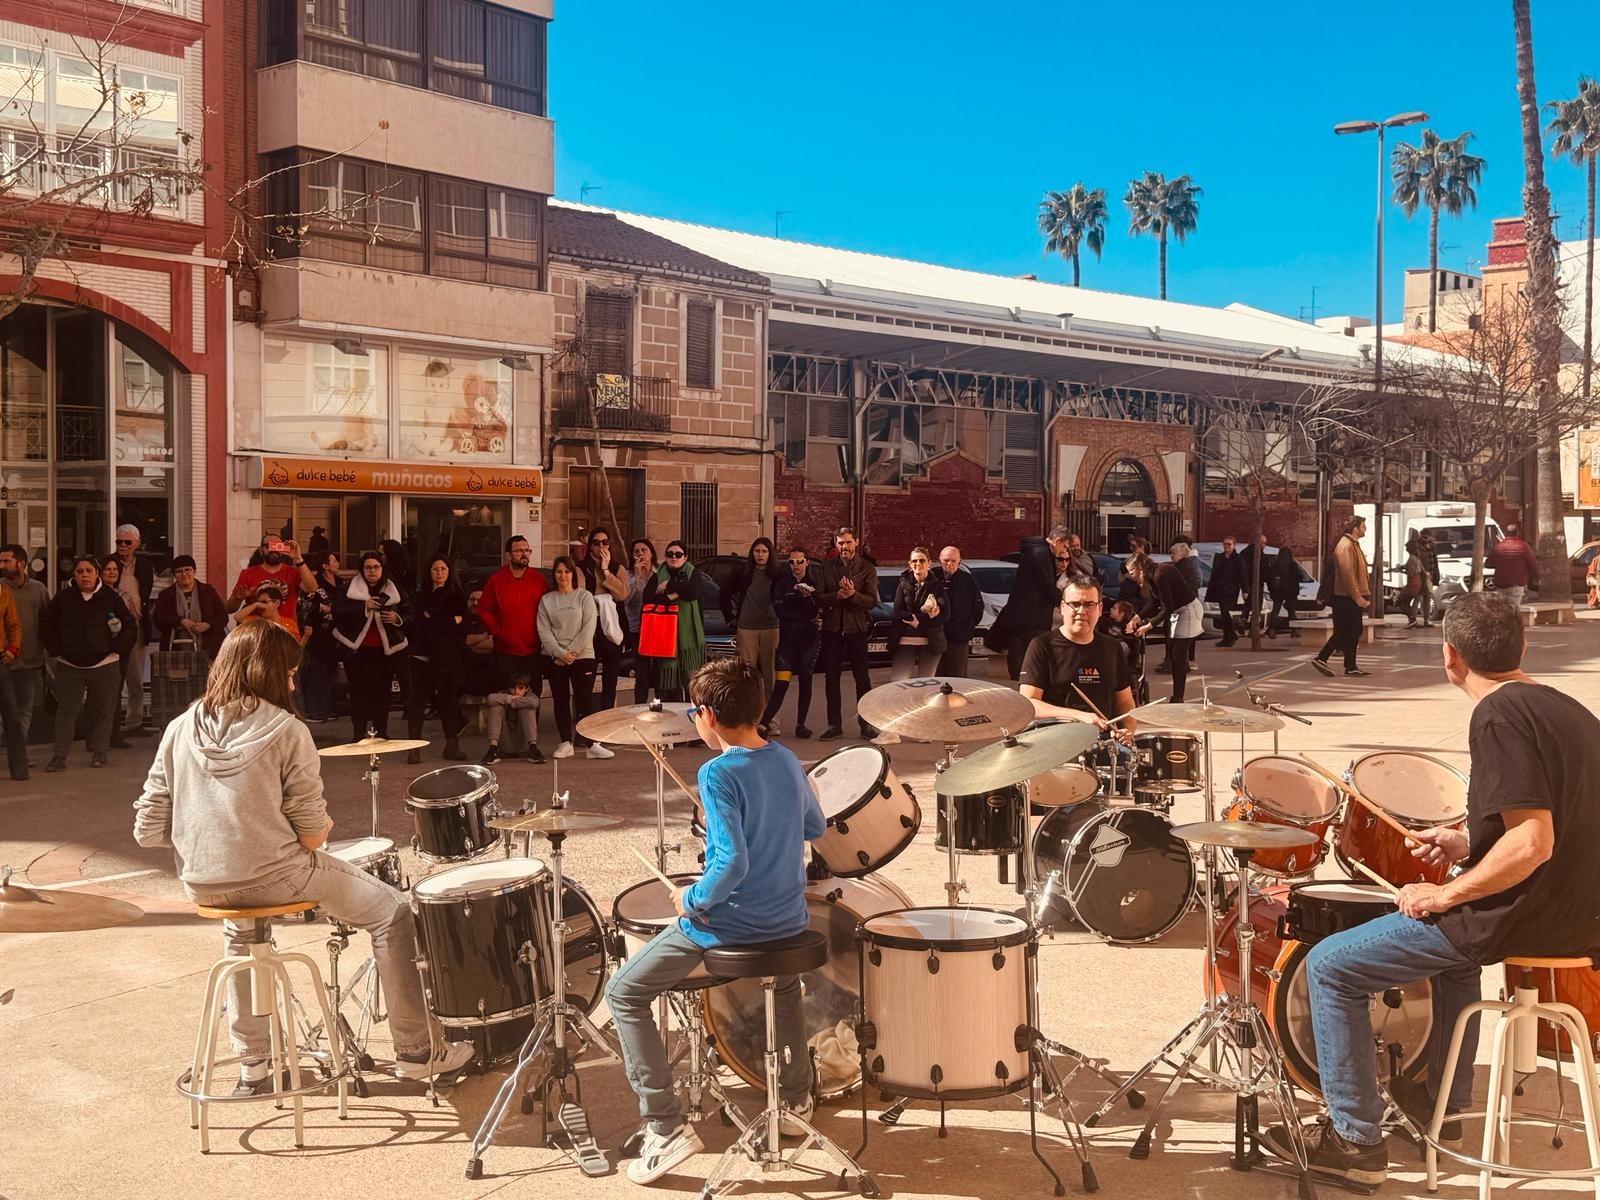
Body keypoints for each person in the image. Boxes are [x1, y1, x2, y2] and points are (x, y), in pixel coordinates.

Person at [1263, 592, 1600, 1187]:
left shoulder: (1496, 716)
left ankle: (1355, 1142)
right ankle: (1437, 1105)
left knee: (1329, 966)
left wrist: (1445, 895)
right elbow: (1552, 821)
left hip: (1521, 916)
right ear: (1521, 646)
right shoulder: (1568, 711)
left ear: (1449, 657)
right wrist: (1466, 841)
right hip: (1577, 917)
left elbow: (1533, 843)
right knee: (1453, 966)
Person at [132, 620, 474, 1092]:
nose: (293, 682)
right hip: (276, 873)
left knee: (241, 930)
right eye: (289, 672)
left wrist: (209, 829)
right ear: (270, 672)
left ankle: (255, 1065)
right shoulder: (287, 730)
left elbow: (148, 830)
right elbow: (312, 836)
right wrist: (308, 830)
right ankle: (417, 1051)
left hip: (205, 880)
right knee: (393, 912)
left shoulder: (177, 728)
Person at [606, 657, 826, 1184]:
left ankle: (665, 1126)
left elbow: (732, 863)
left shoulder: (717, 772)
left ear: (705, 714)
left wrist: (691, 899)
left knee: (623, 992)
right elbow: (814, 825)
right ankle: (795, 1102)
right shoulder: (787, 758)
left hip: (732, 925)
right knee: (786, 986)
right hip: (788, 920)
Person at [41, 555, 135, 771]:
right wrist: (56, 649)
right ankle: (59, 757)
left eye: (89, 571)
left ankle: (100, 752)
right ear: (74, 575)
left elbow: (130, 627)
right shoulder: (63, 598)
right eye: (80, 571)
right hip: (70, 665)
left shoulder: (110, 597)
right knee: (66, 712)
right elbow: (47, 623)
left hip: (106, 664)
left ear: (96, 573)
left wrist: (117, 647)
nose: (85, 575)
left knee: (103, 710)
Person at [1018, 577, 1137, 735]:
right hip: (1055, 742)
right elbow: (1029, 704)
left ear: (1100, 609)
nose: (1082, 611)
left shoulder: (1112, 648)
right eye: (1075, 604)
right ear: (1062, 607)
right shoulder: (1041, 646)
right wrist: (1077, 716)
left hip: (1103, 746)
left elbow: (1125, 703)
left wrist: (1127, 731)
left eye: (1089, 604)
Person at [538, 555, 612, 760]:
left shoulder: (584, 597)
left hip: (583, 656)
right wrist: (560, 654)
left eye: (567, 571)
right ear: (554, 574)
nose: (563, 575)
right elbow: (544, 631)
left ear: (572, 574)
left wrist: (571, 653)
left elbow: (589, 628)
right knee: (560, 700)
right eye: (559, 571)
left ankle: (591, 743)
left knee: (584, 700)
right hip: (555, 658)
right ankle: (565, 742)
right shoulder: (547, 600)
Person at [332, 551, 411, 741]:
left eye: (376, 567)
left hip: (386, 650)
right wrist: (364, 606)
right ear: (362, 569)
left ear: (382, 569)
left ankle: (381, 732)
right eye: (368, 567)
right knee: (358, 693)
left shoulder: (396, 589)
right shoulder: (349, 588)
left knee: (381, 693)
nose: (372, 571)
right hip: (356, 649)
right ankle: (358, 733)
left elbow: (410, 614)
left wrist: (397, 618)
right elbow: (337, 610)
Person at [816, 526, 879, 740]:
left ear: (856, 542)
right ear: (836, 544)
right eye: (841, 543)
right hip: (832, 629)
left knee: (862, 678)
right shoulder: (826, 567)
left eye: (848, 542)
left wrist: (853, 595)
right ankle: (834, 725)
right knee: (831, 678)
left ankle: (866, 724)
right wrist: (838, 595)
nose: (845, 547)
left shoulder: (867, 568)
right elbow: (819, 598)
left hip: (856, 629)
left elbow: (871, 601)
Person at [406, 556, 469, 764]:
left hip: (446, 657)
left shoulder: (457, 596)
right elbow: (420, 624)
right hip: (421, 655)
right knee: (417, 702)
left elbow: (462, 626)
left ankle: (452, 745)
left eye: (443, 568)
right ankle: (413, 747)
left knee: (447, 702)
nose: (439, 572)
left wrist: (435, 621)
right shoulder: (420, 596)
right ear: (429, 572)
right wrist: (447, 621)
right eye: (435, 569)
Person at [477, 534, 548, 708]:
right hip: (505, 652)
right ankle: (506, 735)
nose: (524, 554)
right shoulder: (496, 580)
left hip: (532, 652)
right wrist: (496, 630)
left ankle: (531, 735)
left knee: (533, 698)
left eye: (527, 550)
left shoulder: (539, 580)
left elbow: (548, 609)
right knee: (505, 698)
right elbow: (483, 609)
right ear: (508, 555)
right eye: (519, 551)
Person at [988, 527, 1067, 679]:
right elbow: (1046, 585)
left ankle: (1020, 679)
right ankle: (1023, 680)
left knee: (1020, 648)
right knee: (1029, 651)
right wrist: (1063, 600)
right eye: (1064, 546)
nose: (1063, 552)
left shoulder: (1035, 551)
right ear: (1057, 541)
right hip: (1032, 615)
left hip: (1024, 614)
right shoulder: (1042, 554)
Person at [760, 547, 820, 738]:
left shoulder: (813, 582)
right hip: (788, 639)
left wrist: (805, 600)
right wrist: (797, 601)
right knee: (781, 683)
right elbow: (779, 610)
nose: (795, 566)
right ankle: (763, 724)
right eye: (792, 562)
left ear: (807, 562)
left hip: (808, 639)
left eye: (799, 561)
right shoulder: (782, 583)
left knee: (805, 679)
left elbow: (812, 612)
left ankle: (801, 724)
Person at [641, 540, 708, 703]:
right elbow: (647, 598)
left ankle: (693, 721)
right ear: (665, 556)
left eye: (678, 554)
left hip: (688, 642)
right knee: (666, 685)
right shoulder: (658, 575)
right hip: (665, 637)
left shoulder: (693, 573)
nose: (674, 557)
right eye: (670, 554)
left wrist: (670, 585)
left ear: (685, 557)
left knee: (691, 683)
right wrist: (672, 596)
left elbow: (693, 591)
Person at [1136, 544, 1203, 703]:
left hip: (1188, 610)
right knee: (1175, 654)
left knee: (1178, 654)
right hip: (1179, 611)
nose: (1132, 577)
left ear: (1141, 569)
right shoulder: (1154, 576)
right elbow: (1154, 603)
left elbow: (1168, 607)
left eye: (1132, 573)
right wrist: (1137, 617)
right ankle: (1177, 696)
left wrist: (1149, 625)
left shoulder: (1162, 574)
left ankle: (1178, 698)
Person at [0, 544, 47, 772]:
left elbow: (46, 622)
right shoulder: (1, 589)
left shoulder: (38, 589)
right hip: (4, 660)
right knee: (8, 711)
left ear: (20, 563)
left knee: (24, 709)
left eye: (6, 561)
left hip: (29, 659)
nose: (2, 566)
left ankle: (21, 753)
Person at [722, 537, 782, 708]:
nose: (760, 555)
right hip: (747, 627)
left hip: (771, 627)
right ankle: (749, 718)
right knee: (747, 675)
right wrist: (730, 618)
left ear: (770, 553)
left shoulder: (778, 574)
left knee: (771, 674)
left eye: (764, 551)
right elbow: (724, 593)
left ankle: (771, 720)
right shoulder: (743, 572)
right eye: (757, 551)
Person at [1313, 515, 1372, 678]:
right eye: (1363, 526)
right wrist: (1357, 596)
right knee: (1347, 630)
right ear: (1355, 529)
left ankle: (1349, 665)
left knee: (1351, 630)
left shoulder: (1352, 545)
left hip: (1349, 596)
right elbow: (1347, 574)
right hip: (1345, 597)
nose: (1364, 529)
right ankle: (1323, 658)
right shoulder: (1346, 546)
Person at [111, 524, 156, 735]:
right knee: (113, 677)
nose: (123, 546)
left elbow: (145, 594)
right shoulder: (108, 564)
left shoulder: (145, 566)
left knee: (135, 677)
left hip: (136, 627)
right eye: (119, 542)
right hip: (112, 629)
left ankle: (134, 723)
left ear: (136, 543)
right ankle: (110, 726)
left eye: (127, 542)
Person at [581, 528, 630, 714]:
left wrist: (605, 570)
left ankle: (607, 720)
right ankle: (584, 722)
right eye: (596, 542)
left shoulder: (618, 568)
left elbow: (622, 594)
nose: (601, 546)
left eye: (605, 542)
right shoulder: (581, 567)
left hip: (611, 627)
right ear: (590, 546)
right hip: (590, 627)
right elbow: (581, 596)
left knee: (611, 679)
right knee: (587, 677)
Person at [296, 552, 344, 723]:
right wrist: (305, 628)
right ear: (325, 565)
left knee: (331, 671)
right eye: (334, 560)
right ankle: (314, 710)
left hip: (334, 634)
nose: (338, 563)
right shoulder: (316, 584)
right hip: (316, 633)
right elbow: (305, 607)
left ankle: (327, 707)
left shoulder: (339, 583)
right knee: (317, 671)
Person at [888, 546, 947, 681]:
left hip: (931, 641)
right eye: (914, 561)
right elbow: (898, 612)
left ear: (929, 563)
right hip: (905, 640)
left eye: (922, 560)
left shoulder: (937, 586)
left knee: (927, 684)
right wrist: (925, 616)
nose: (918, 564)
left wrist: (918, 623)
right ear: (910, 564)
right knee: (898, 682)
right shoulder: (902, 585)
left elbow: (944, 615)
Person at [229, 535, 315, 626]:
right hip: (258, 631)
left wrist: (298, 558)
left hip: (287, 631)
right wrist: (237, 599)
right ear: (261, 551)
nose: (274, 550)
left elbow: (312, 588)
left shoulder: (293, 572)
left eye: (278, 546)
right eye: (269, 546)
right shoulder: (248, 574)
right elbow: (230, 609)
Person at [152, 555, 227, 660]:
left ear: (194, 571)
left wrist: (208, 625)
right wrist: (180, 621)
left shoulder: (208, 592)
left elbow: (223, 616)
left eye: (188, 570)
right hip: (176, 650)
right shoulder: (166, 595)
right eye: (179, 571)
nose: (184, 574)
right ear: (174, 575)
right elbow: (158, 620)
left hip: (209, 649)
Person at [935, 545, 983, 678]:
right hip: (936, 634)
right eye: (946, 560)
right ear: (940, 560)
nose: (949, 564)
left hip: (959, 636)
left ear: (959, 562)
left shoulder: (967, 580)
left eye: (953, 561)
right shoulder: (933, 577)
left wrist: (967, 624)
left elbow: (977, 607)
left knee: (958, 675)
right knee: (936, 674)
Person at [480, 671, 541, 765]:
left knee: (527, 709)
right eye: (513, 688)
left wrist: (515, 703)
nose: (516, 692)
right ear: (509, 687)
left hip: (524, 745)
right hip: (504, 746)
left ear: (526, 689)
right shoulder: (503, 695)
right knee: (495, 708)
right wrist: (510, 698)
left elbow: (534, 702)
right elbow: (490, 698)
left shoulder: (531, 696)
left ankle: (533, 749)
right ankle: (492, 750)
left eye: (520, 688)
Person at [626, 539, 658, 703]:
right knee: (642, 674)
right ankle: (640, 708)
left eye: (643, 550)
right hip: (638, 629)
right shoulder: (628, 576)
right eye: (636, 551)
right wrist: (636, 578)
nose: (640, 554)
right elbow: (625, 600)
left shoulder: (659, 574)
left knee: (659, 672)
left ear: (651, 553)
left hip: (658, 629)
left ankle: (661, 707)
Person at [1486, 521, 1540, 609]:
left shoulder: (1498, 547)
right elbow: (1533, 564)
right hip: (1516, 583)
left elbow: (1488, 564)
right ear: (1517, 533)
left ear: (1506, 533)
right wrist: (1537, 577)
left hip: (1501, 584)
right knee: (1514, 609)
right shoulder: (1523, 547)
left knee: (1502, 609)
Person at [1206, 536, 1244, 647]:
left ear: (1233, 546)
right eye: (1225, 544)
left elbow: (1243, 574)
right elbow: (1214, 573)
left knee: (1225, 613)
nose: (1226, 547)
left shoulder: (1238, 558)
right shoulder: (1219, 557)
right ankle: (1229, 635)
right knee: (1224, 613)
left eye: (1229, 544)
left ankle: (1230, 636)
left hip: (1231, 590)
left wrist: (1245, 590)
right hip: (1220, 589)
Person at [234, 578, 302, 638]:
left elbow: (296, 646)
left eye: (264, 602)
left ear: (277, 603)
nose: (260, 606)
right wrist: (255, 604)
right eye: (259, 603)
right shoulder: (256, 620)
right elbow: (238, 617)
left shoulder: (288, 623)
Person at [1265, 542, 1301, 636]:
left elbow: (1269, 578)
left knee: (1275, 610)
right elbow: (1299, 576)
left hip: (1278, 592)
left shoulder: (1276, 564)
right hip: (1291, 592)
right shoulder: (1293, 564)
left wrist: (1272, 589)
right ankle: (1294, 630)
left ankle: (1272, 629)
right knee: (1291, 611)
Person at [1401, 535, 1426, 629]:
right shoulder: (1416, 558)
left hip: (1413, 583)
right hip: (1417, 582)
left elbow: (1411, 572)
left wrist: (1402, 571)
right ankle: (1412, 619)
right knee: (1407, 602)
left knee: (1401, 602)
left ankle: (1412, 619)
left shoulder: (1412, 558)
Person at [1418, 531, 1441, 627]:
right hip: (1422, 577)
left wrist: (1434, 577)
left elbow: (1434, 564)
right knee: (1420, 598)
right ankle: (1419, 619)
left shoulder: (1431, 548)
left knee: (1426, 598)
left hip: (1428, 577)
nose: (1426, 539)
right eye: (1424, 537)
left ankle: (1425, 619)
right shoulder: (1419, 549)